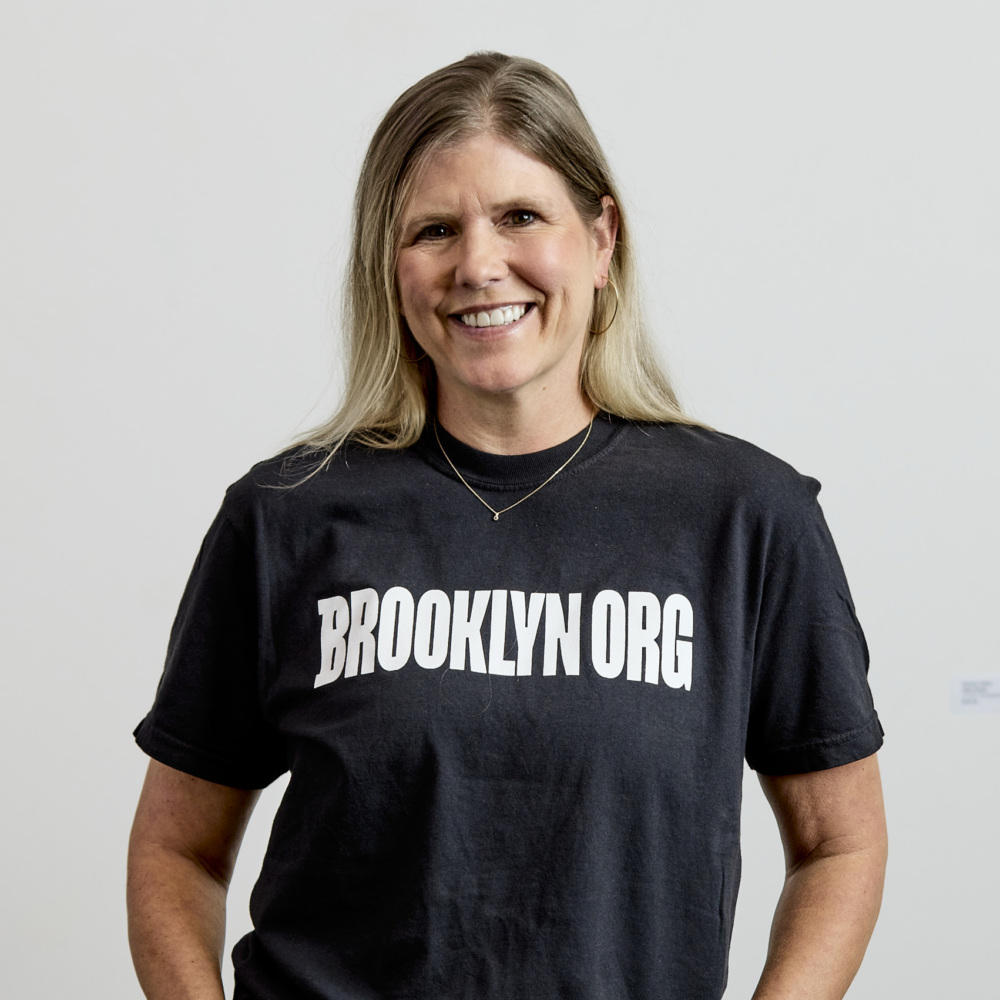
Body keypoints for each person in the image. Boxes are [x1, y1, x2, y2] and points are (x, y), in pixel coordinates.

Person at [127, 52, 887, 1000]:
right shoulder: (286, 515)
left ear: (602, 239)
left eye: (522, 216)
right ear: (389, 269)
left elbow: (838, 842)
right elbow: (176, 849)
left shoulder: (746, 519)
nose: (479, 265)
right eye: (434, 230)